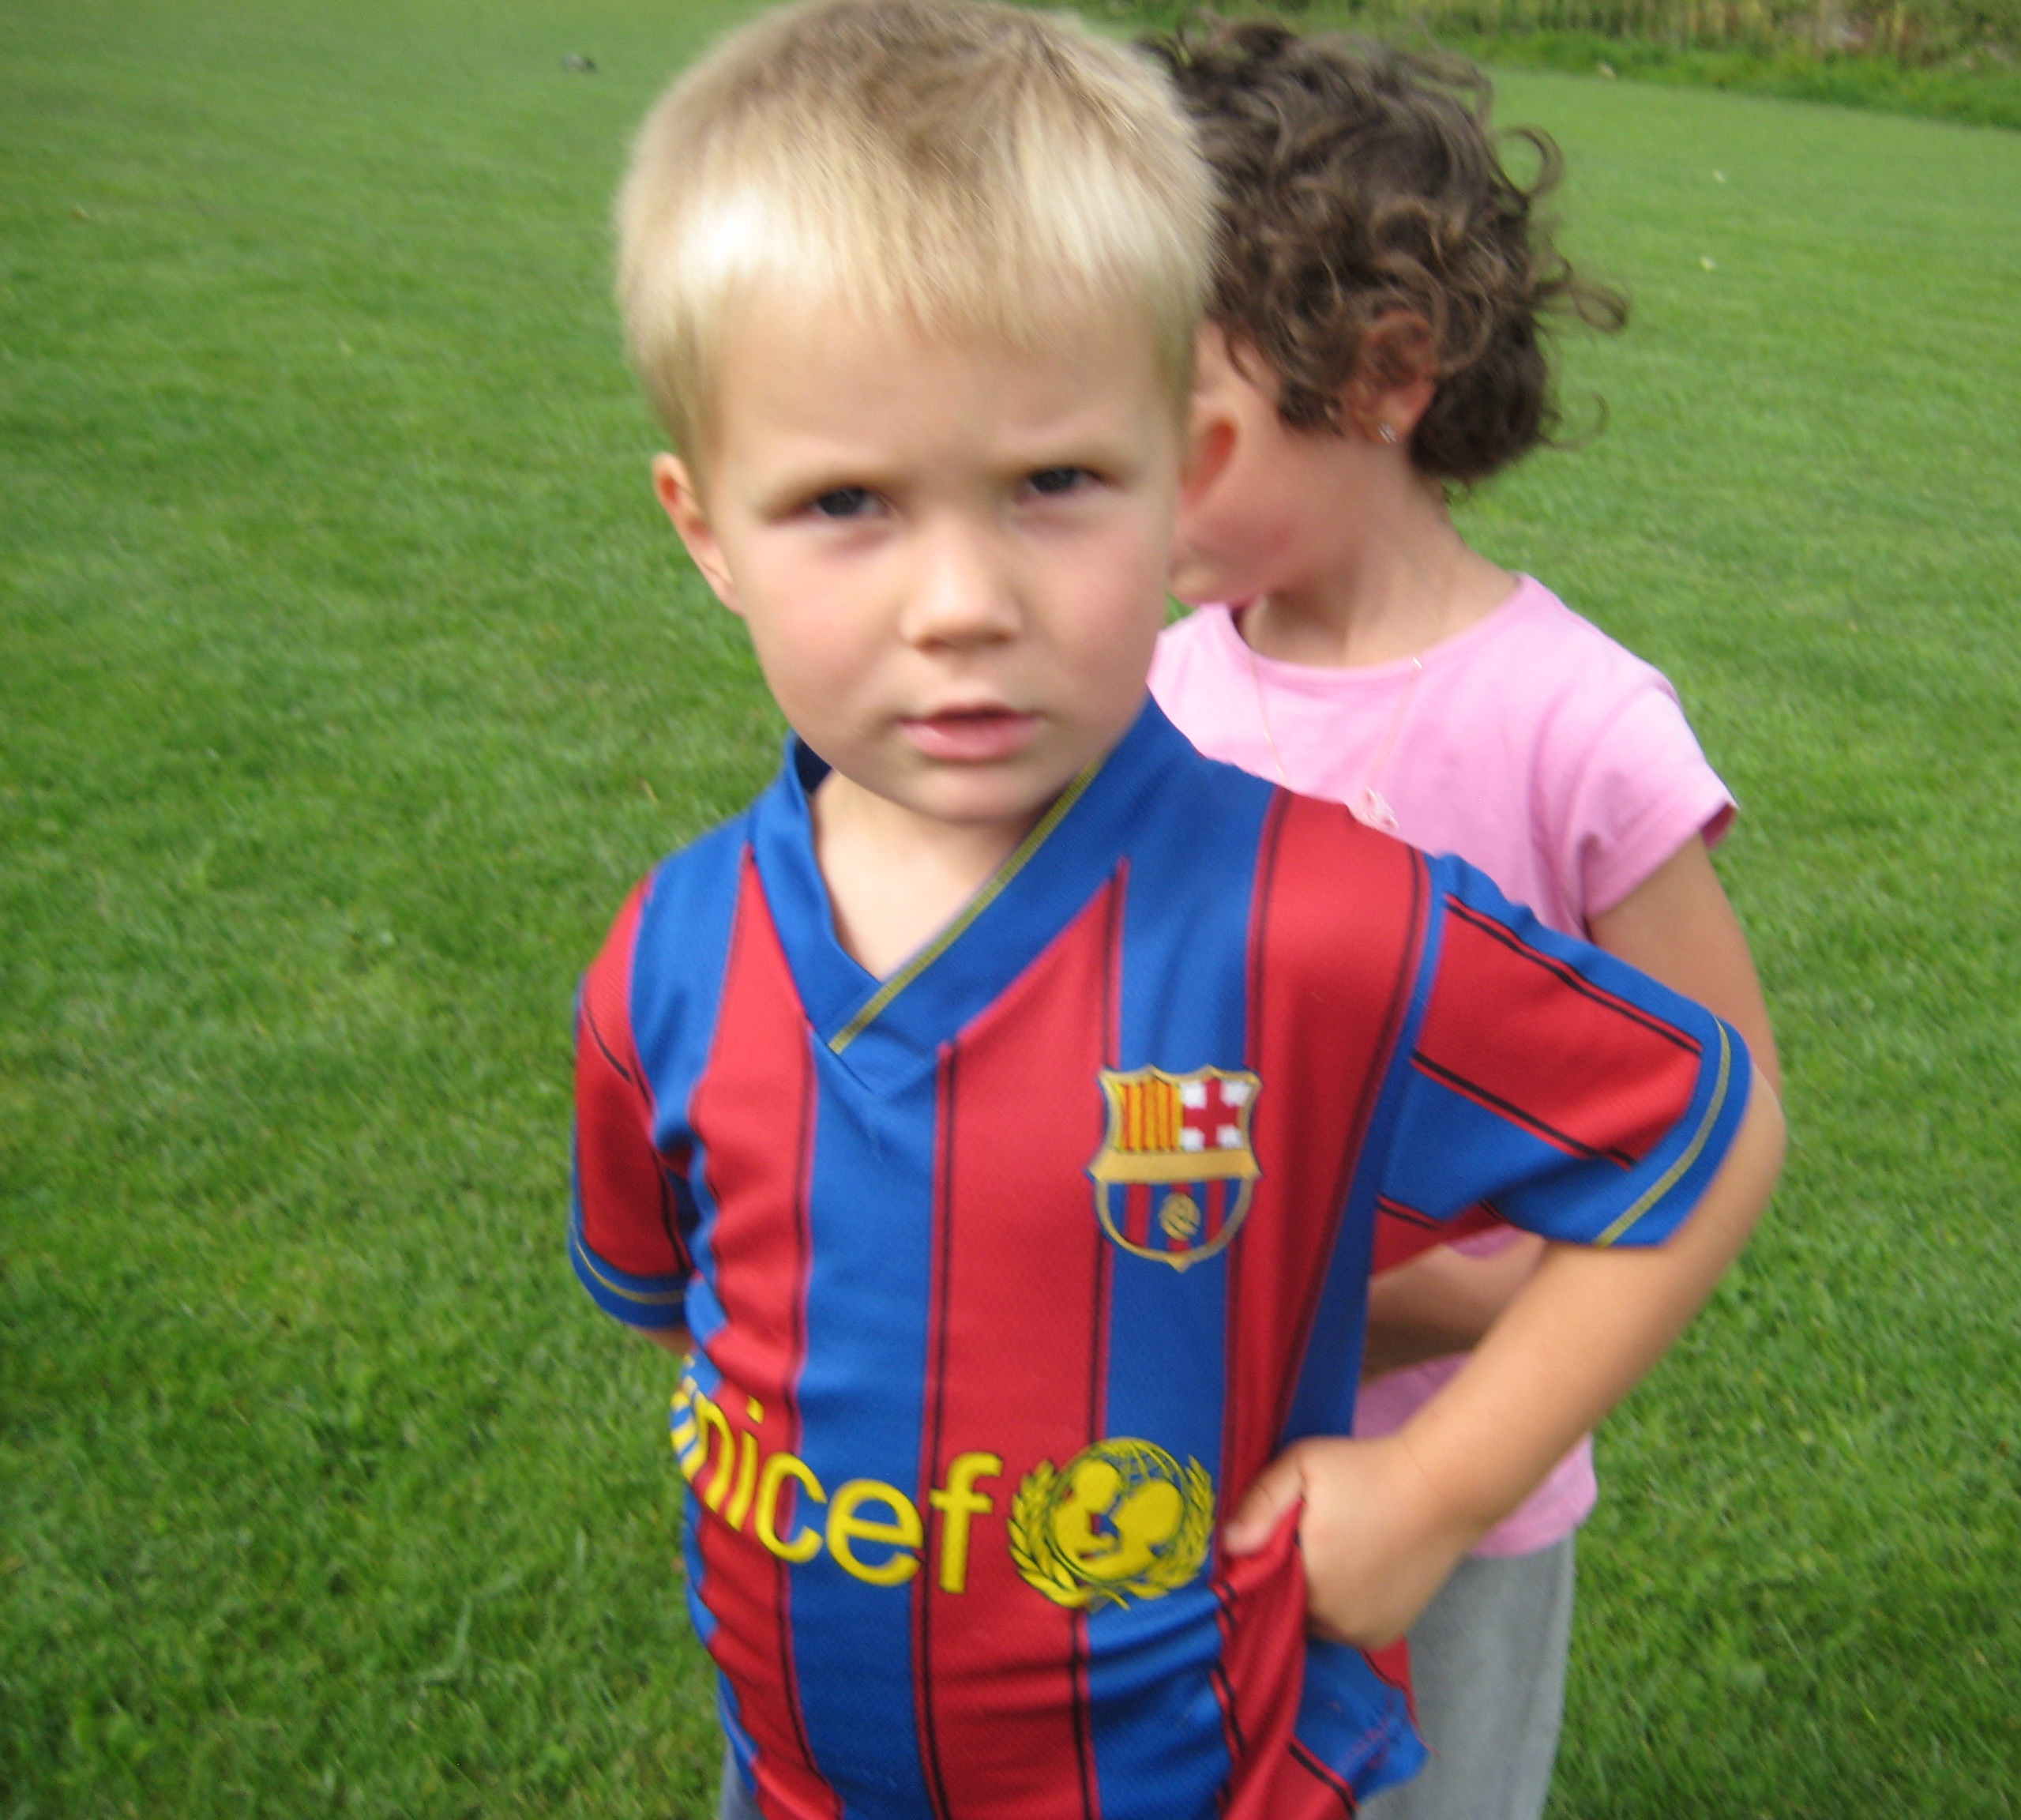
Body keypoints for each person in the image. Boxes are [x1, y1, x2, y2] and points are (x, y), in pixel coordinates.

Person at [567, 5, 1784, 1817]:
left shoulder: (1344, 885)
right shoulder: (677, 952)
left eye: (1055, 481)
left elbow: (1705, 1117)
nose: (962, 601)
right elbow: (700, 1310)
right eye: (846, 501)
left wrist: (1436, 1470)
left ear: (1184, 467)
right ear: (705, 528)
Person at [1145, 22, 1783, 1820]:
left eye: (1153, 404)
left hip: (1448, 1507)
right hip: (1169, 1459)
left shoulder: (1575, 728)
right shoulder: (1153, 688)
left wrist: (1439, 1455)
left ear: (1385, 373)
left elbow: (1724, 1108)